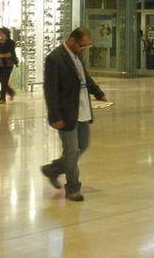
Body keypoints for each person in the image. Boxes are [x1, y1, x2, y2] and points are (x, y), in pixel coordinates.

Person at [41, 27, 108, 201]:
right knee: (71, 151)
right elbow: (50, 90)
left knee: (83, 145)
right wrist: (54, 116)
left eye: (86, 46)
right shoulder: (54, 58)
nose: (83, 49)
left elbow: (85, 78)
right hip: (66, 113)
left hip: (83, 110)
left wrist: (98, 92)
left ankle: (53, 169)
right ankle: (73, 188)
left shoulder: (78, 56)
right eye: (81, 46)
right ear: (72, 40)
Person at [0, 27, 18, 104]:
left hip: (8, 64)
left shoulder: (11, 42)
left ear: (5, 34)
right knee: (2, 80)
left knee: (4, 80)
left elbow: (10, 54)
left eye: (1, 33)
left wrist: (1, 55)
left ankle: (2, 98)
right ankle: (11, 92)